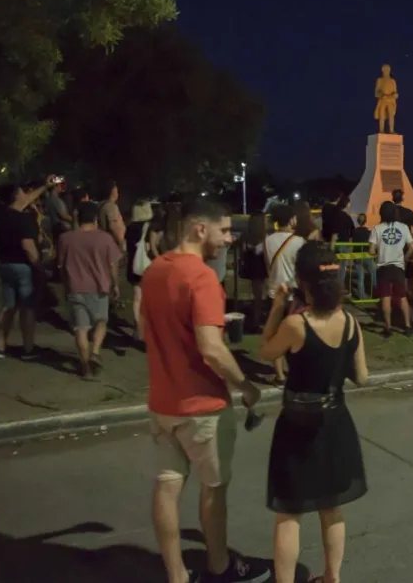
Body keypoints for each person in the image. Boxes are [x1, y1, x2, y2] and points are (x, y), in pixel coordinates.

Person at [140, 198, 267, 583]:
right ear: (200, 229)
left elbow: (147, 328)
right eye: (224, 230)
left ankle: (177, 574)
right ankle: (219, 566)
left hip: (163, 401)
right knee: (213, 490)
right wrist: (246, 387)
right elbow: (211, 348)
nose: (229, 239)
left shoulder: (155, 270)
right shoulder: (201, 277)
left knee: (167, 485)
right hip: (203, 406)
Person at [258, 243, 369, 583]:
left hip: (297, 425)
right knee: (330, 506)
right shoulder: (351, 323)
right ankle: (332, 577)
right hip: (335, 423)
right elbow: (362, 377)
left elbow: (265, 351)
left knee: (289, 512)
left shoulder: (296, 325)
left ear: (304, 283)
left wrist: (277, 308)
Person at [0, 178, 56, 360]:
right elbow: (28, 247)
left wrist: (45, 185)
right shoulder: (24, 219)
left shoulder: (1, 215)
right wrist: (39, 268)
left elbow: (27, 200)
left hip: (5, 265)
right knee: (27, 308)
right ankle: (28, 349)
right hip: (24, 267)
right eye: (22, 192)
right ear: (16, 196)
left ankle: (0, 347)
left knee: (8, 307)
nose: (26, 195)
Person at [56, 201, 122, 377]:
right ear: (95, 218)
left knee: (81, 329)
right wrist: (115, 284)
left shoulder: (65, 238)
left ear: (77, 217)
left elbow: (61, 266)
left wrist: (65, 285)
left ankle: (85, 368)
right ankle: (95, 352)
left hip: (75, 288)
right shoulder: (105, 238)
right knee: (101, 322)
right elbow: (113, 264)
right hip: (99, 288)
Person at [265, 205, 306, 385]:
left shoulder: (267, 240)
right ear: (291, 219)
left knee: (276, 335)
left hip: (274, 292)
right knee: (297, 334)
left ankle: (279, 375)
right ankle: (297, 371)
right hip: (293, 293)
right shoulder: (298, 242)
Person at [369, 200, 413, 337]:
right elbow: (412, 248)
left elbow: (371, 251)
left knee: (385, 298)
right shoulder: (403, 227)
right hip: (398, 267)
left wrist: (379, 251)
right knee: (402, 297)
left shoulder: (377, 229)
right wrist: (405, 259)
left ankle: (388, 327)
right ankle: (407, 326)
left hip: (383, 267)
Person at [126, 200, 163, 341]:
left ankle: (138, 327)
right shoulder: (150, 227)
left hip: (134, 264)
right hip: (148, 265)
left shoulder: (129, 228)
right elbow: (155, 245)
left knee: (137, 297)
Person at [238, 212, 269, 332]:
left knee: (257, 297)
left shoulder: (246, 236)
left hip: (251, 269)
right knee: (261, 297)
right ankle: (257, 322)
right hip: (262, 269)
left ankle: (255, 320)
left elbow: (242, 253)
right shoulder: (265, 237)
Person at [391, 189, 413, 295]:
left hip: (393, 246)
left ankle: (397, 292)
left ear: (392, 198)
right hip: (407, 246)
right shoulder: (409, 212)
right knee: (409, 271)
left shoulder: (389, 212)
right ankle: (410, 293)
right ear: (402, 198)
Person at [351, 213, 376, 300]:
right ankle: (375, 292)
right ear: (366, 221)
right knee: (373, 273)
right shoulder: (368, 232)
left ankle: (361, 295)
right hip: (366, 255)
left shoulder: (354, 231)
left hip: (357, 255)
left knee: (360, 276)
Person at [97, 179, 126, 249]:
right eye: (116, 190)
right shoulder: (111, 207)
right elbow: (114, 227)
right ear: (113, 190)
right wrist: (123, 246)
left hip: (103, 244)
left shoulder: (99, 205)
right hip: (113, 246)